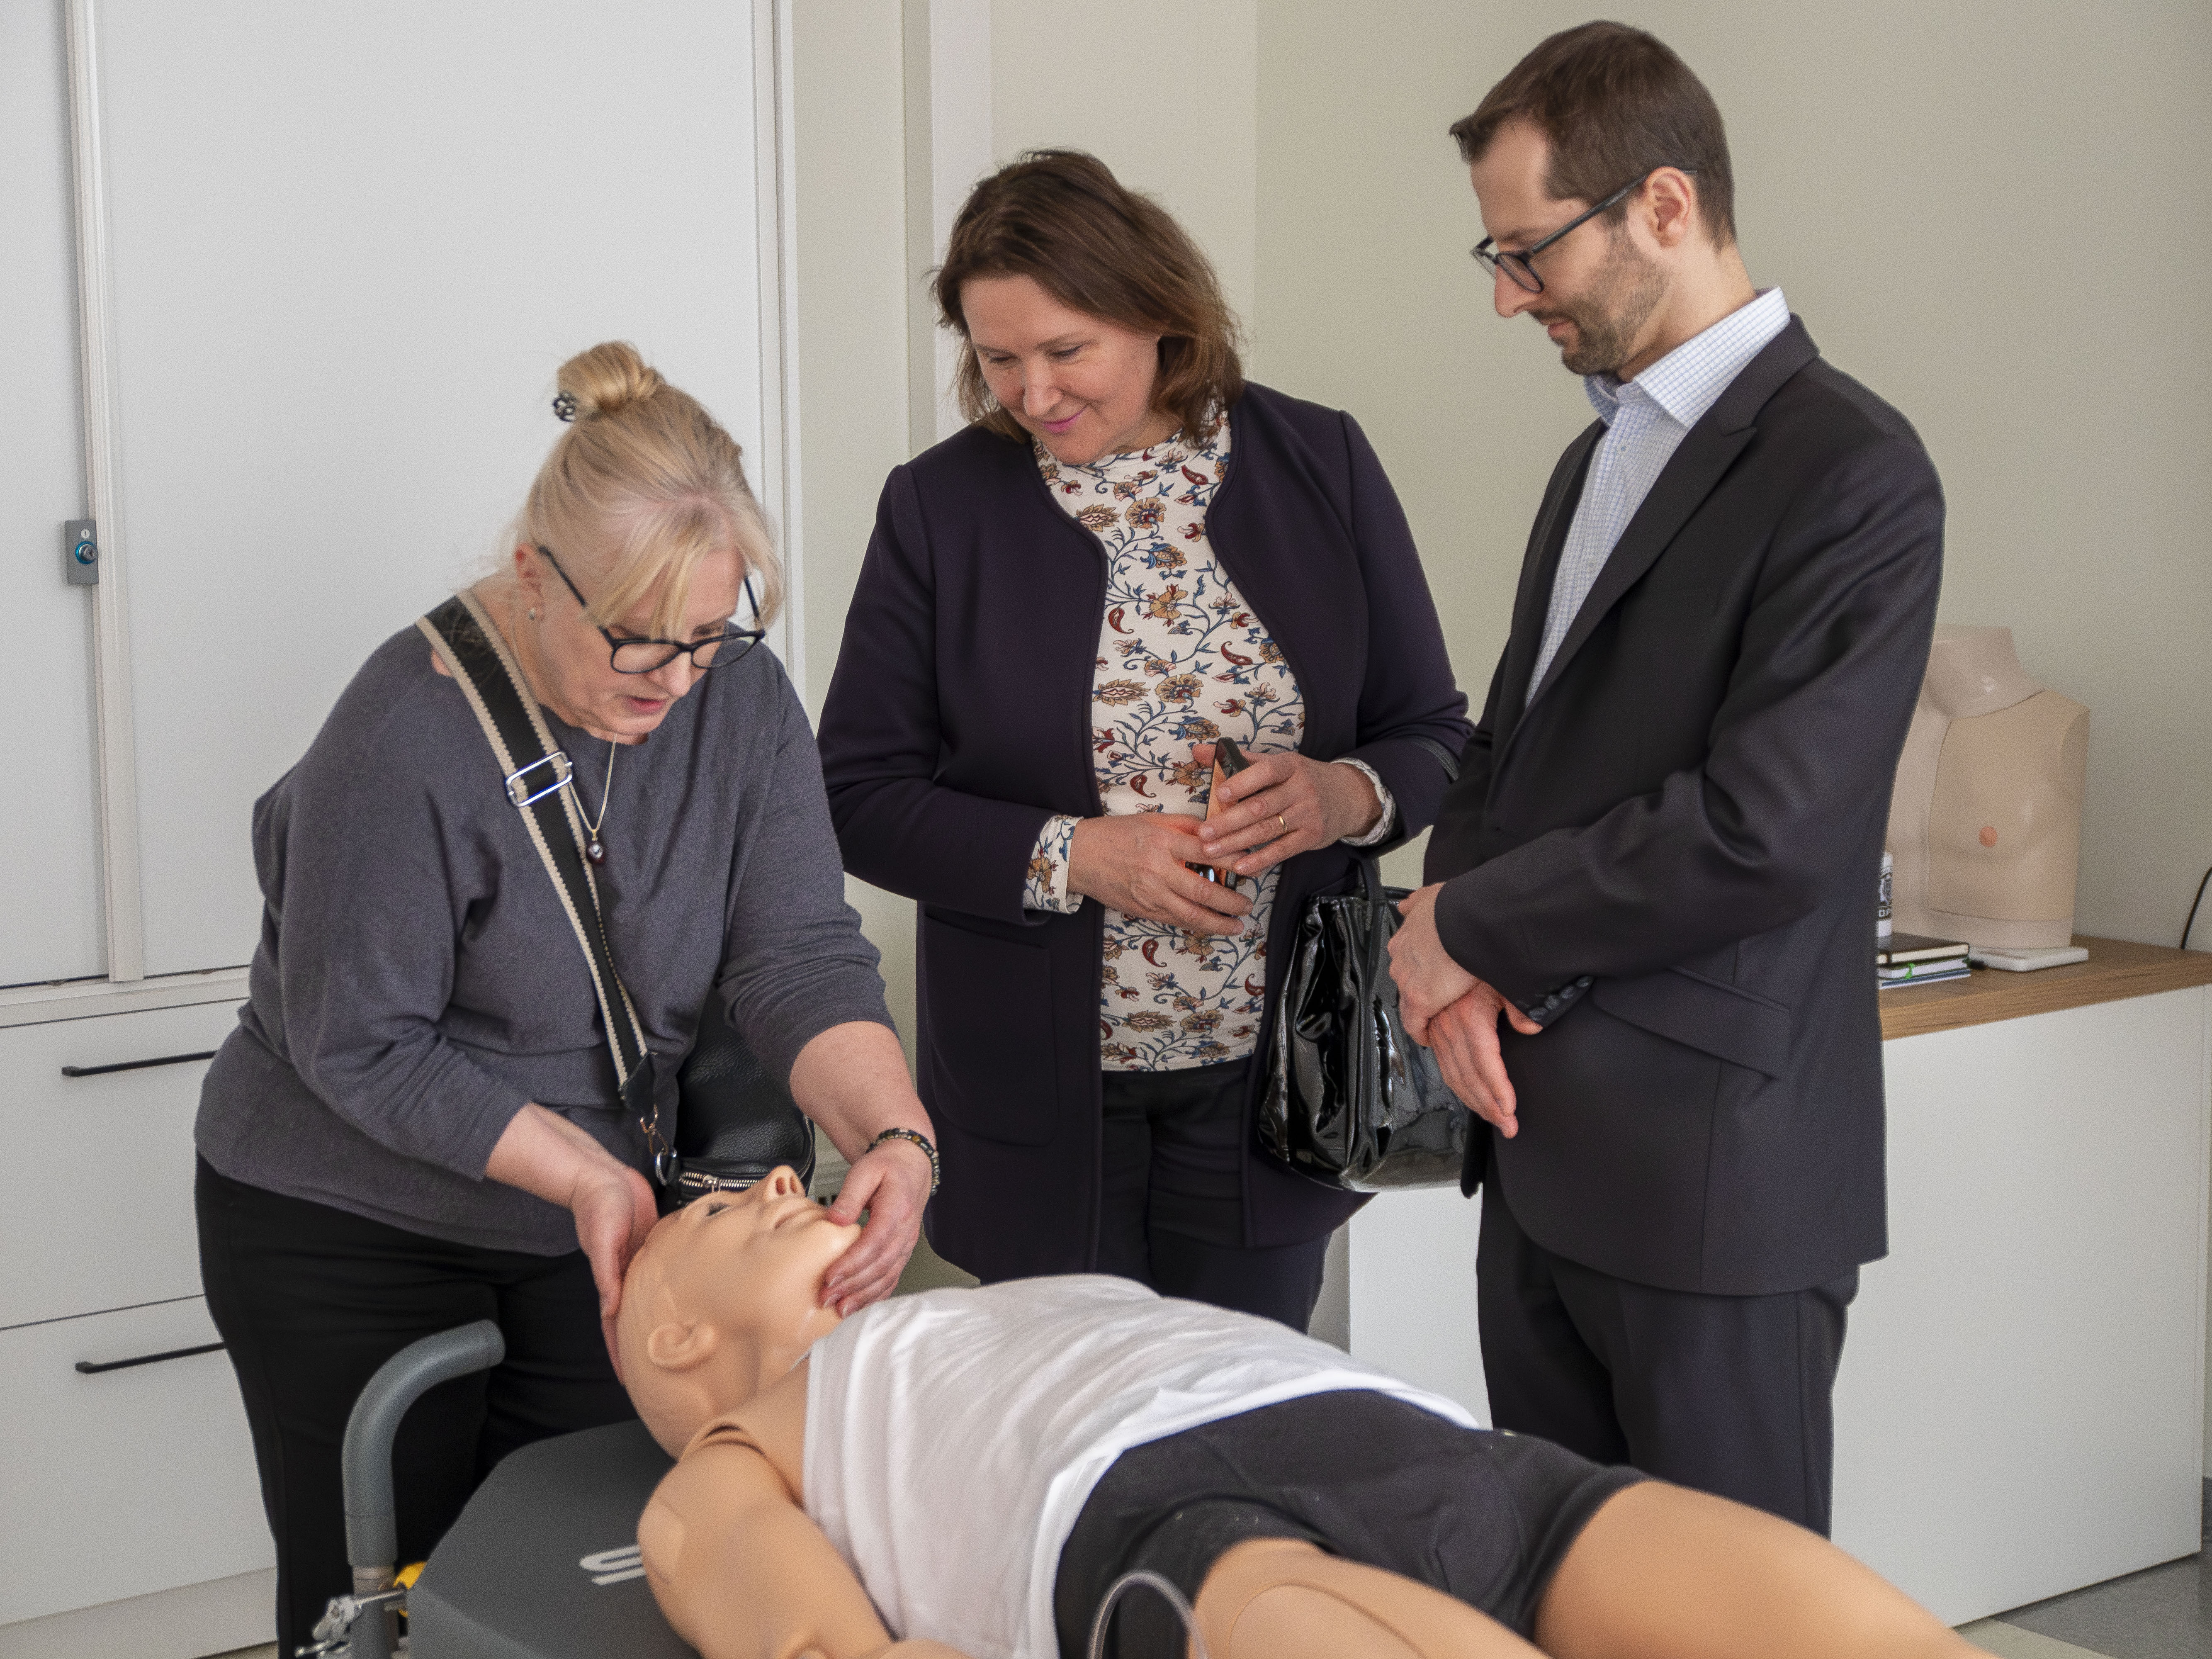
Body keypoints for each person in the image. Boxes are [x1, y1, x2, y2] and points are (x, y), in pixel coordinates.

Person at [192, 342, 937, 1654]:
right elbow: (362, 1045)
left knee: (585, 1589)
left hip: (596, 1227)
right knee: (392, 1609)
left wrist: (896, 1132)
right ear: (534, 576)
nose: (673, 680)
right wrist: (588, 1175)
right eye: (637, 641)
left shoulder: (739, 702)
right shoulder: (401, 735)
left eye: (707, 636)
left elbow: (798, 954)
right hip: (347, 1224)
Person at [1384, 24, 1944, 1536]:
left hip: (1715, 1181)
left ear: (1667, 207)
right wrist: (1446, 963)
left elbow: (1767, 831)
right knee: (1565, 1596)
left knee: (1734, 1617)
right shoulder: (1594, 460)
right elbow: (1505, 749)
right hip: (1534, 1146)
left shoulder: (1854, 470)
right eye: (1494, 257)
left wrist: (1468, 931)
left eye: (1528, 253)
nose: (1508, 296)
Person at [816, 151, 1470, 1329]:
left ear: (1161, 316)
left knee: (1239, 1409)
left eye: (1066, 351)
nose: (1032, 392)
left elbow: (1433, 734)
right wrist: (1076, 856)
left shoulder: (1322, 461)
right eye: (998, 358)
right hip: (1039, 1097)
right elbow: (857, 794)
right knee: (1060, 1418)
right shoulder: (939, 506)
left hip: (1278, 1078)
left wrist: (1344, 796)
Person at [615, 1166, 1981, 1659]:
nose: (783, 1179)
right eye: (727, 1212)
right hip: (1166, 1520)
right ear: (678, 1334)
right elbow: (749, 1584)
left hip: (1414, 1443)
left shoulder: (981, 1305)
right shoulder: (767, 1436)